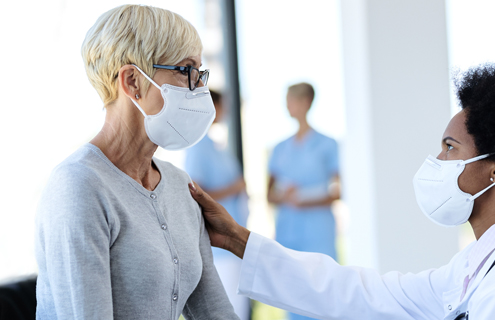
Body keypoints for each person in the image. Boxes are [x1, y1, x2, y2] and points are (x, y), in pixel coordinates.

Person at [189, 58, 495, 319]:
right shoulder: (483, 263)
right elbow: (370, 295)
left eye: (449, 148)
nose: (436, 161)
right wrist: (240, 240)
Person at [34, 5, 238, 320]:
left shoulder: (179, 185)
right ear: (132, 82)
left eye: (200, 73)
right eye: (186, 71)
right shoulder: (79, 186)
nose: (199, 90)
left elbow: (216, 312)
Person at [266, 82, 341, 320]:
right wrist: (285, 196)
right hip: (289, 233)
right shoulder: (279, 148)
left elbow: (337, 190)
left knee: (324, 294)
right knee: (294, 296)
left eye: (292, 100)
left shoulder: (328, 145)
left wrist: (305, 199)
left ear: (306, 102)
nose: (288, 106)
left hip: (318, 233)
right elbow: (269, 194)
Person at [185, 90, 251, 320]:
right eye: (222, 106)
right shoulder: (198, 147)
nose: (226, 111)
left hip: (234, 243)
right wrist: (234, 188)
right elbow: (197, 192)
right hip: (220, 249)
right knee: (229, 310)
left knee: (239, 309)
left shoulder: (216, 147)